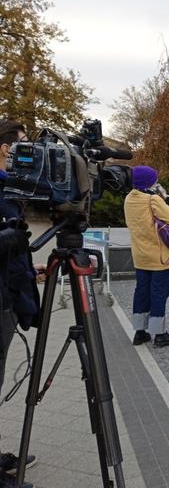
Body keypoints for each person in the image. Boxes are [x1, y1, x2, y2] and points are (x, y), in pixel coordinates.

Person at [0, 120, 38, 476]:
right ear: (5, 149)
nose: (28, 156)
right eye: (24, 148)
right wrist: (9, 241)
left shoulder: (8, 190)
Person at [124, 166, 169, 347]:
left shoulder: (129, 199)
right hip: (159, 257)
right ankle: (159, 333)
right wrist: (168, 202)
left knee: (142, 291)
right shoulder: (153, 199)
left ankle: (140, 332)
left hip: (140, 256)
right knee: (159, 293)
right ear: (150, 182)